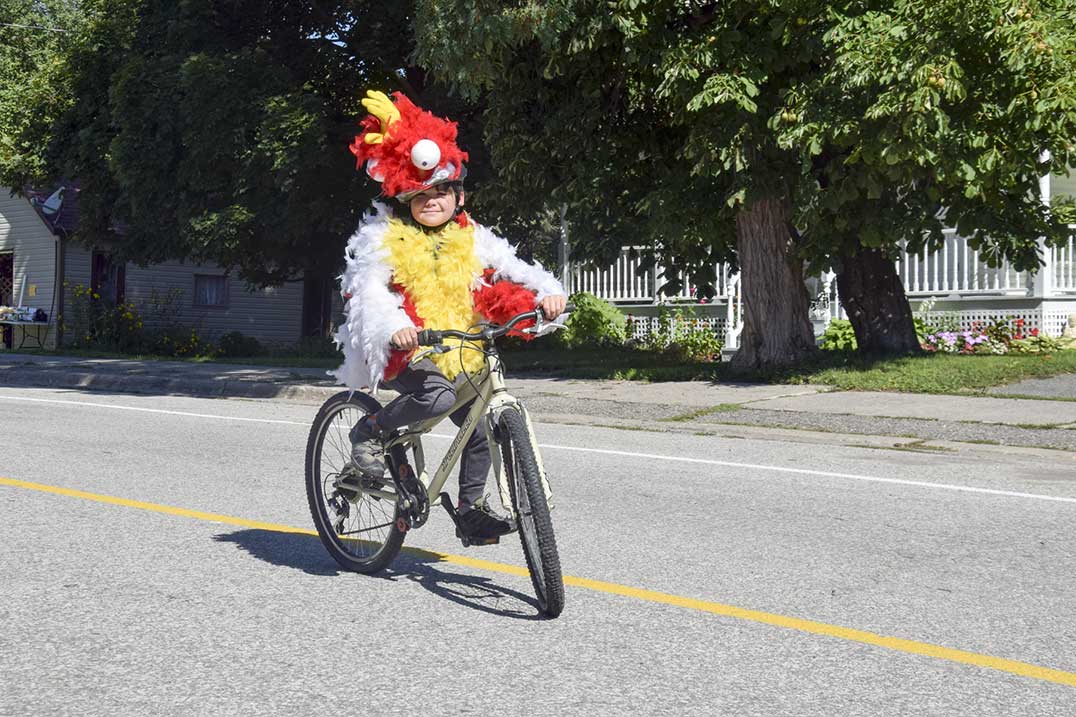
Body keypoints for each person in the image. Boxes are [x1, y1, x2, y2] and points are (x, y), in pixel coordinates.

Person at [332, 90, 568, 543]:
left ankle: (471, 509)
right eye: (421, 194)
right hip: (409, 347)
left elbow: (510, 269)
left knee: (478, 423)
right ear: (406, 200)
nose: (432, 200)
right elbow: (367, 291)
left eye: (441, 190)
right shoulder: (384, 237)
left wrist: (546, 295)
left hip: (462, 346)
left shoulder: (473, 237)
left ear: (458, 196)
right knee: (439, 396)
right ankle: (369, 430)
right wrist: (393, 326)